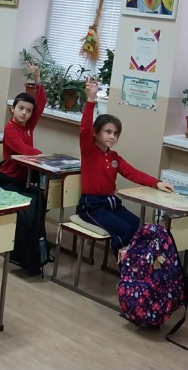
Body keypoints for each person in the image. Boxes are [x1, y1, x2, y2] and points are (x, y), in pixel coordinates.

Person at [78, 78, 173, 257]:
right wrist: (91, 99)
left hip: (112, 203)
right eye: (108, 132)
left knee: (140, 228)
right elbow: (84, 128)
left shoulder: (114, 157)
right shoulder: (89, 151)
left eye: (115, 133)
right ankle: (126, 268)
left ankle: (137, 267)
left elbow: (132, 173)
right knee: (125, 231)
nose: (112, 137)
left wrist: (157, 183)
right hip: (92, 207)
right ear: (96, 133)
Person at [0, 65, 45, 186]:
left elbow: (41, 103)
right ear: (12, 109)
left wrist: (37, 78)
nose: (24, 113)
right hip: (9, 177)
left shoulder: (28, 125)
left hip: (24, 177)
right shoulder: (10, 128)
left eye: (28, 111)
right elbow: (23, 149)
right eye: (21, 108)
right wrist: (42, 156)